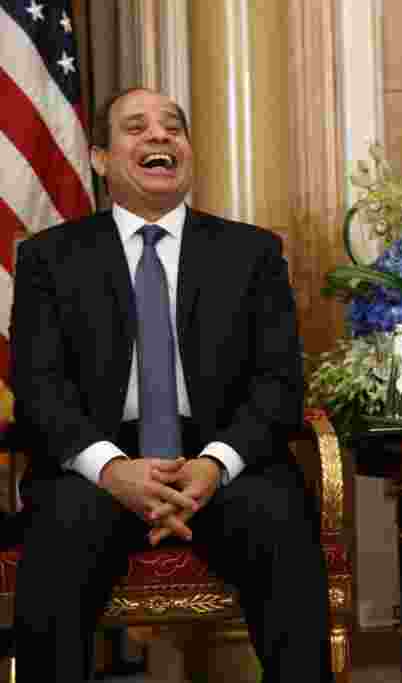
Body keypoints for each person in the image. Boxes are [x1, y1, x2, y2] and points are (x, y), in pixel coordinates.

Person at [10, 87, 333, 682]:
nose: (160, 136)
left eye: (173, 127)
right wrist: (111, 469)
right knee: (58, 538)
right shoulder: (50, 258)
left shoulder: (252, 253)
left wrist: (213, 464)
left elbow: (279, 382)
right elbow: (38, 386)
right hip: (98, 464)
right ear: (100, 158)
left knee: (281, 525)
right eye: (136, 127)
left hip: (223, 459)